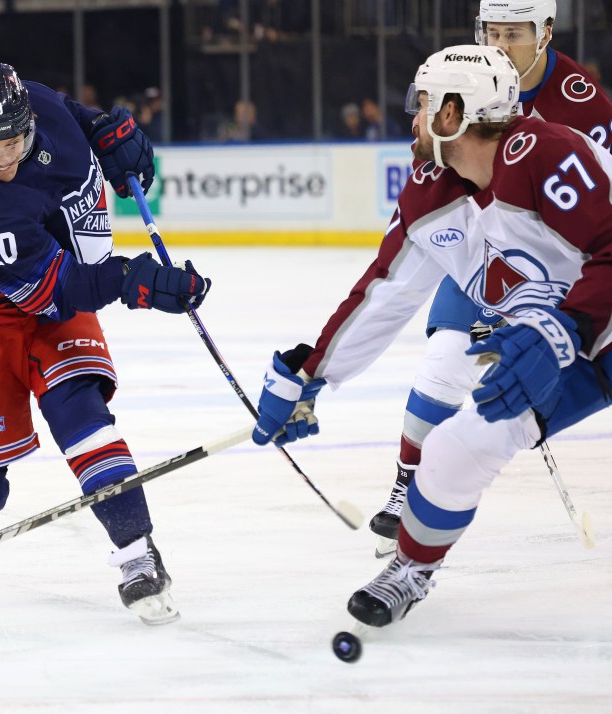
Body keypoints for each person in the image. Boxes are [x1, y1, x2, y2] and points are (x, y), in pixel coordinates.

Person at [251, 43, 612, 628]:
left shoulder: (548, 153)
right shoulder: (431, 190)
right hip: (561, 345)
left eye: (422, 104)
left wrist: (562, 328)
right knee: (453, 450)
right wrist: (311, 371)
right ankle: (411, 568)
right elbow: (384, 292)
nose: (412, 118)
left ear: (452, 114)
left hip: (582, 328)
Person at [0, 62, 210, 625]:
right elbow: (58, 293)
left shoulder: (39, 104)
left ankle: (136, 553)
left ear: (28, 121)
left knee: (82, 414)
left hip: (55, 283)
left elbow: (70, 114)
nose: (0, 159)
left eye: (12, 142)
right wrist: (133, 282)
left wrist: (105, 129)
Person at [366, 0, 612, 559]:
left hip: (555, 259)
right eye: (492, 31)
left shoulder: (581, 98)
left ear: (545, 33)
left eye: (515, 33)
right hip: (481, 252)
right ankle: (408, 484)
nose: (501, 44)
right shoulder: (460, 76)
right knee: (445, 359)